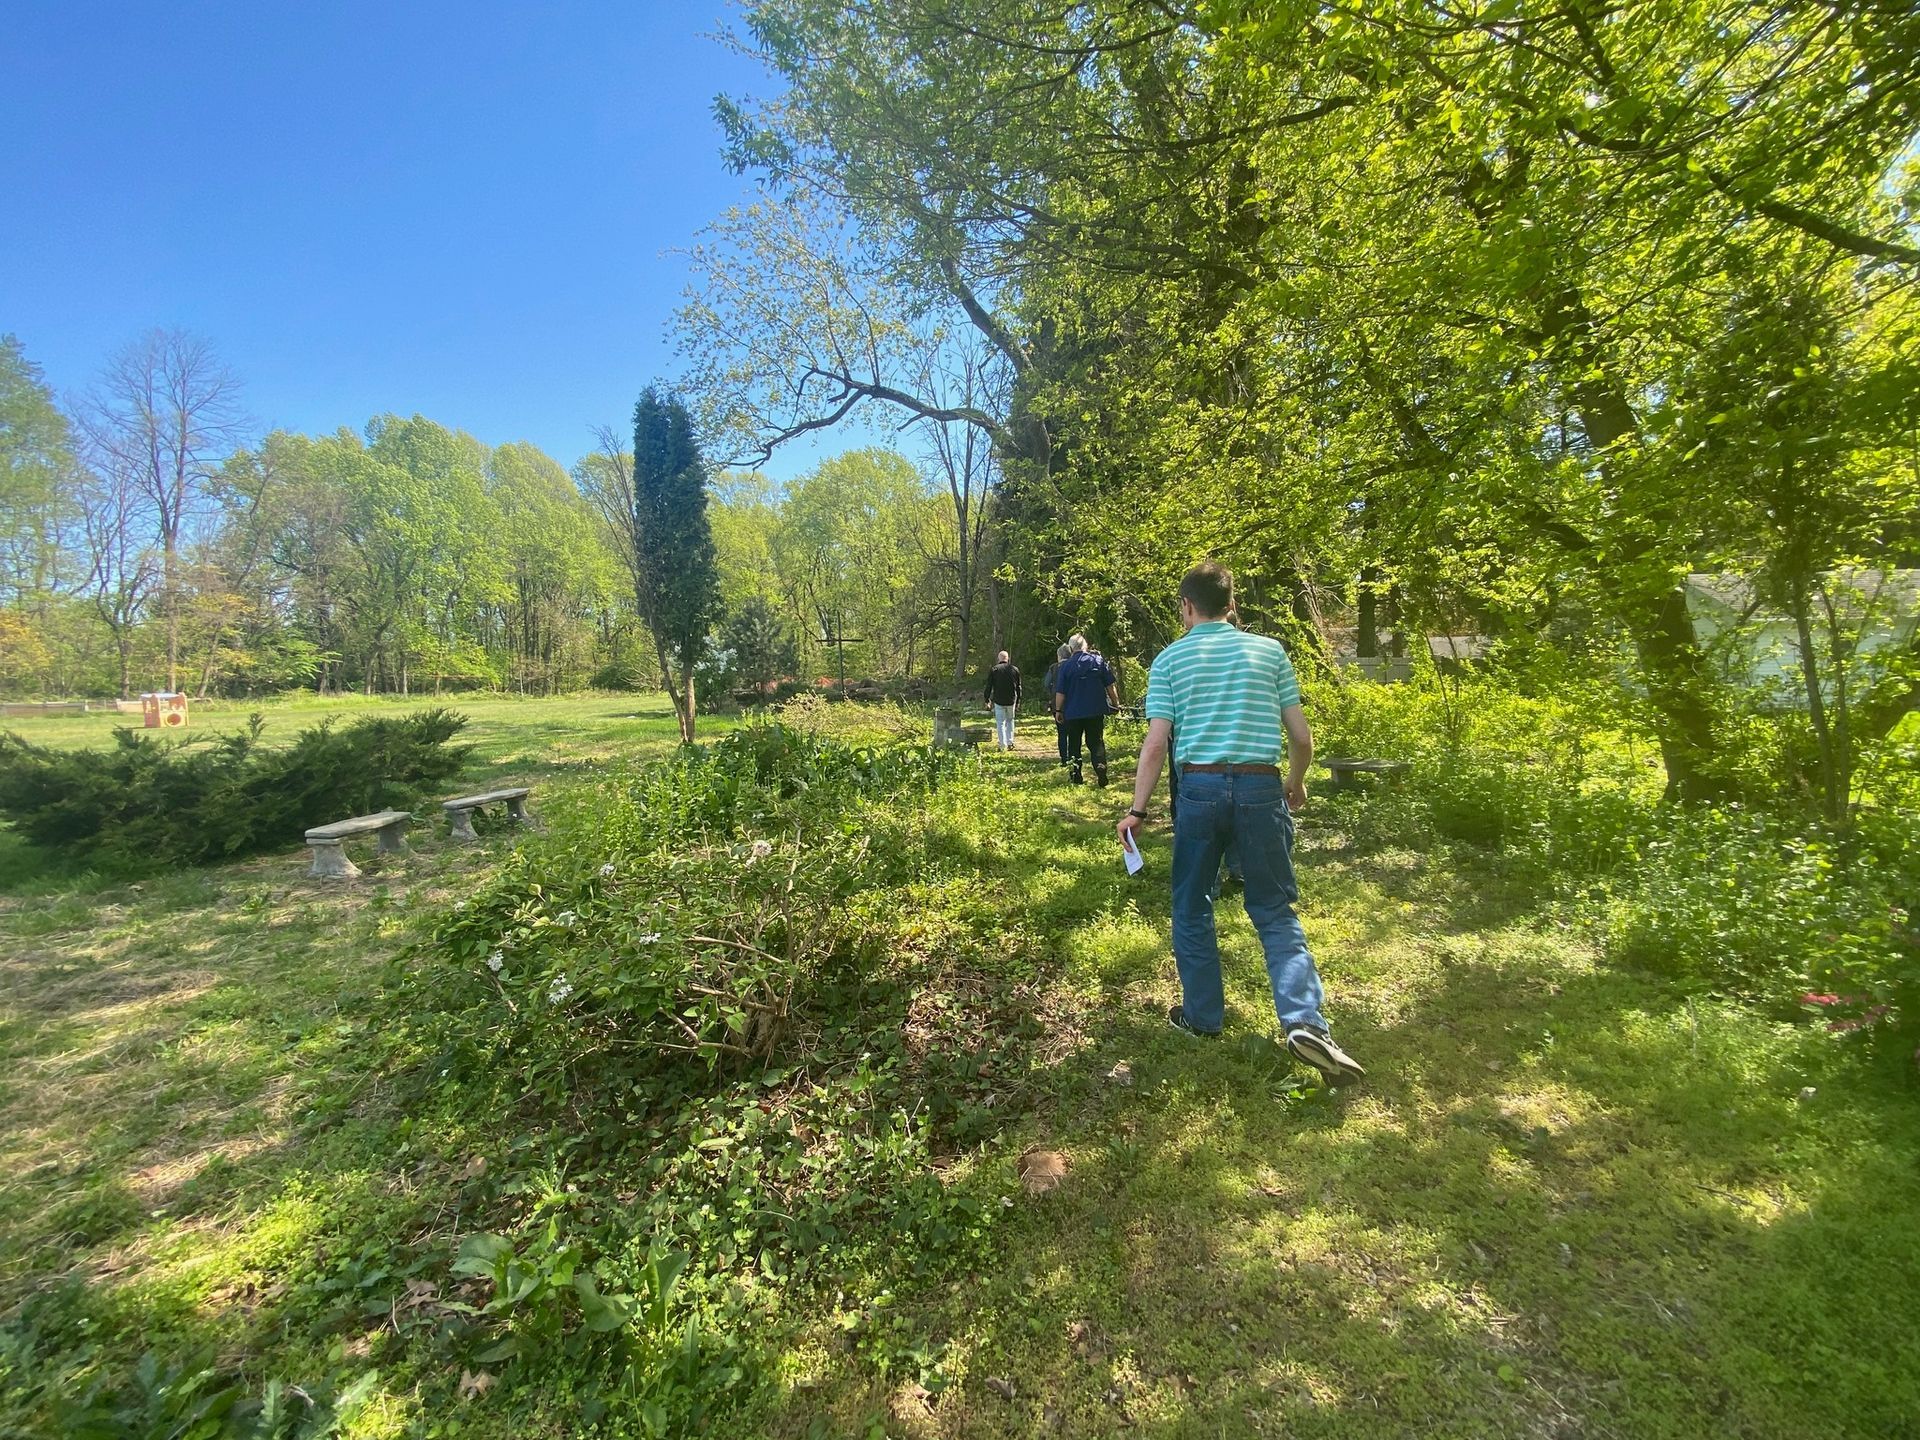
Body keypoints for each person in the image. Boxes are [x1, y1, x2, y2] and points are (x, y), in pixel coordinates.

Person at [1116, 561, 1365, 1085]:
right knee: (1274, 910)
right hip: (1260, 786)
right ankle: (1305, 1021)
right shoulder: (1270, 652)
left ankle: (1203, 1017)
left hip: (1200, 790)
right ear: (1232, 606)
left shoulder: (1169, 660)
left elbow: (1156, 743)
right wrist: (1295, 782)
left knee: (1191, 904)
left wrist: (1137, 810)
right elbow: (1301, 738)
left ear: (1186, 606)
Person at [1054, 633, 1118, 785]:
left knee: (1074, 744)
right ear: (1086, 646)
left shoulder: (1066, 666)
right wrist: (1115, 703)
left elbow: (1060, 692)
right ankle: (1100, 768)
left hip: (1073, 712)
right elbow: (1110, 686)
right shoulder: (1098, 661)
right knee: (1096, 741)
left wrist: (1058, 710)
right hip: (1095, 710)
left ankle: (1076, 775)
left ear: (1071, 649)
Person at [983, 650, 1021, 751]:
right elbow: (1018, 687)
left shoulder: (994, 669)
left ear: (998, 659)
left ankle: (1002, 745)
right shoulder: (1014, 669)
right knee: (1010, 721)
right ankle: (1010, 742)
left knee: (1000, 723)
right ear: (1008, 658)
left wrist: (987, 699)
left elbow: (989, 686)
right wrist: (1018, 701)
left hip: (999, 700)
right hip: (1011, 700)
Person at [1042, 644, 1071, 769]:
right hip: (1072, 702)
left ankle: (1064, 758)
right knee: (1073, 731)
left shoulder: (1054, 668)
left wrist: (1052, 692)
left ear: (1059, 656)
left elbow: (1046, 683)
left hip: (1057, 703)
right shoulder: (1073, 665)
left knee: (1061, 732)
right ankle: (1074, 756)